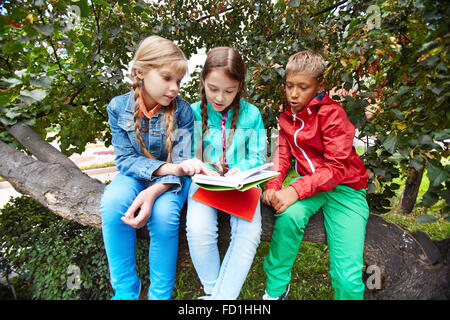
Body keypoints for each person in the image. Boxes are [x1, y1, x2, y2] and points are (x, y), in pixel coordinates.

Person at [100, 35, 208, 300]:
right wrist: (165, 169)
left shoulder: (182, 111)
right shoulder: (117, 108)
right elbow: (125, 160)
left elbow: (182, 165)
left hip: (173, 182)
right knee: (112, 204)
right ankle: (125, 290)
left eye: (179, 81)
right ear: (141, 72)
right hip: (136, 174)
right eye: (167, 78)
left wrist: (152, 192)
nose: (174, 88)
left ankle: (160, 294)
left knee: (163, 217)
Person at [262, 50, 370, 300]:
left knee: (347, 276)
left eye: (303, 87)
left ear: (320, 86)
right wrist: (273, 185)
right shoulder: (287, 117)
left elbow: (335, 169)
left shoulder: (333, 115)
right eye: (289, 86)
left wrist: (294, 190)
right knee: (288, 216)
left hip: (346, 192)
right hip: (312, 187)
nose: (293, 94)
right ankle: (276, 290)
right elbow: (281, 156)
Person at [186, 47, 266, 300]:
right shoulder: (191, 112)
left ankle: (216, 300)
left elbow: (257, 154)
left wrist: (240, 169)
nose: (220, 98)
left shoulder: (252, 114)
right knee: (198, 230)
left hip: (241, 185)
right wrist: (203, 168)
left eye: (229, 91)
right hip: (203, 183)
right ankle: (216, 294)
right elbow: (185, 152)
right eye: (213, 89)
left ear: (240, 86)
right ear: (203, 82)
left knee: (249, 233)